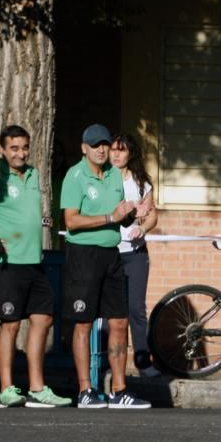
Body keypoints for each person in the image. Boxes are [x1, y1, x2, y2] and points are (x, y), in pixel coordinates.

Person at [60, 123, 152, 409]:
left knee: (119, 321)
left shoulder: (114, 176)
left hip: (111, 254)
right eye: (96, 145)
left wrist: (131, 215)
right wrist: (111, 217)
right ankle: (86, 390)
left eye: (104, 144)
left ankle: (119, 389)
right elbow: (71, 221)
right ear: (84, 148)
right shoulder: (75, 176)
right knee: (84, 323)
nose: (102, 150)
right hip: (83, 255)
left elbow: (119, 217)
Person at [0, 125, 71, 408]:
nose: (21, 153)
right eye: (14, 148)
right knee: (9, 325)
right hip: (7, 262)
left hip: (35, 260)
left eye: (24, 147)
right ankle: (7, 388)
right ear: (2, 149)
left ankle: (36, 387)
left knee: (43, 318)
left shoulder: (34, 174)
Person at [109, 133, 160, 377]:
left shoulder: (141, 182)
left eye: (122, 150)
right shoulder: (102, 179)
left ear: (131, 154)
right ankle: (107, 362)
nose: (116, 154)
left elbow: (151, 214)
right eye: (113, 149)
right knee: (109, 311)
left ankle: (143, 362)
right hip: (109, 253)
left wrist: (144, 227)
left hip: (135, 253)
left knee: (136, 309)